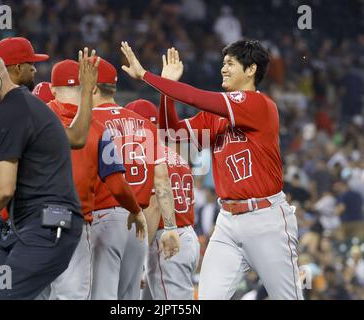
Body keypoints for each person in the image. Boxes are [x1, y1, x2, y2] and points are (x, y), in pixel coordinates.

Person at [121, 41, 303, 300]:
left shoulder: (258, 104)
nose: (223, 69)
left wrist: (146, 77)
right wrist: (166, 93)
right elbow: (171, 134)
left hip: (266, 219)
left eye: (230, 63)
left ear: (251, 69)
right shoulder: (216, 117)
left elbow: (197, 97)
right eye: (223, 63)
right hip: (227, 221)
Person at [0, 48, 97, 299]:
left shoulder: (10, 113)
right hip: (35, 227)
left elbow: (4, 188)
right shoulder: (28, 106)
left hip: (47, 227)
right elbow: (76, 137)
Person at [41, 59, 146, 300]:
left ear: (53, 89)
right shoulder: (96, 127)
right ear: (87, 88)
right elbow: (117, 184)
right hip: (73, 223)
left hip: (33, 222)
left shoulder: (35, 118)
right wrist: (135, 209)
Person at [90, 57, 180, 300]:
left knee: (101, 296)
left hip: (103, 218)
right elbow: (161, 180)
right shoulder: (145, 125)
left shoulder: (88, 122)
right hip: (137, 223)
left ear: (93, 87)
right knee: (129, 300)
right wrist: (170, 226)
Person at [125, 99, 200, 300]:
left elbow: (155, 205)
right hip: (185, 236)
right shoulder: (175, 155)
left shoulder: (145, 155)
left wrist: (139, 260)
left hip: (165, 242)